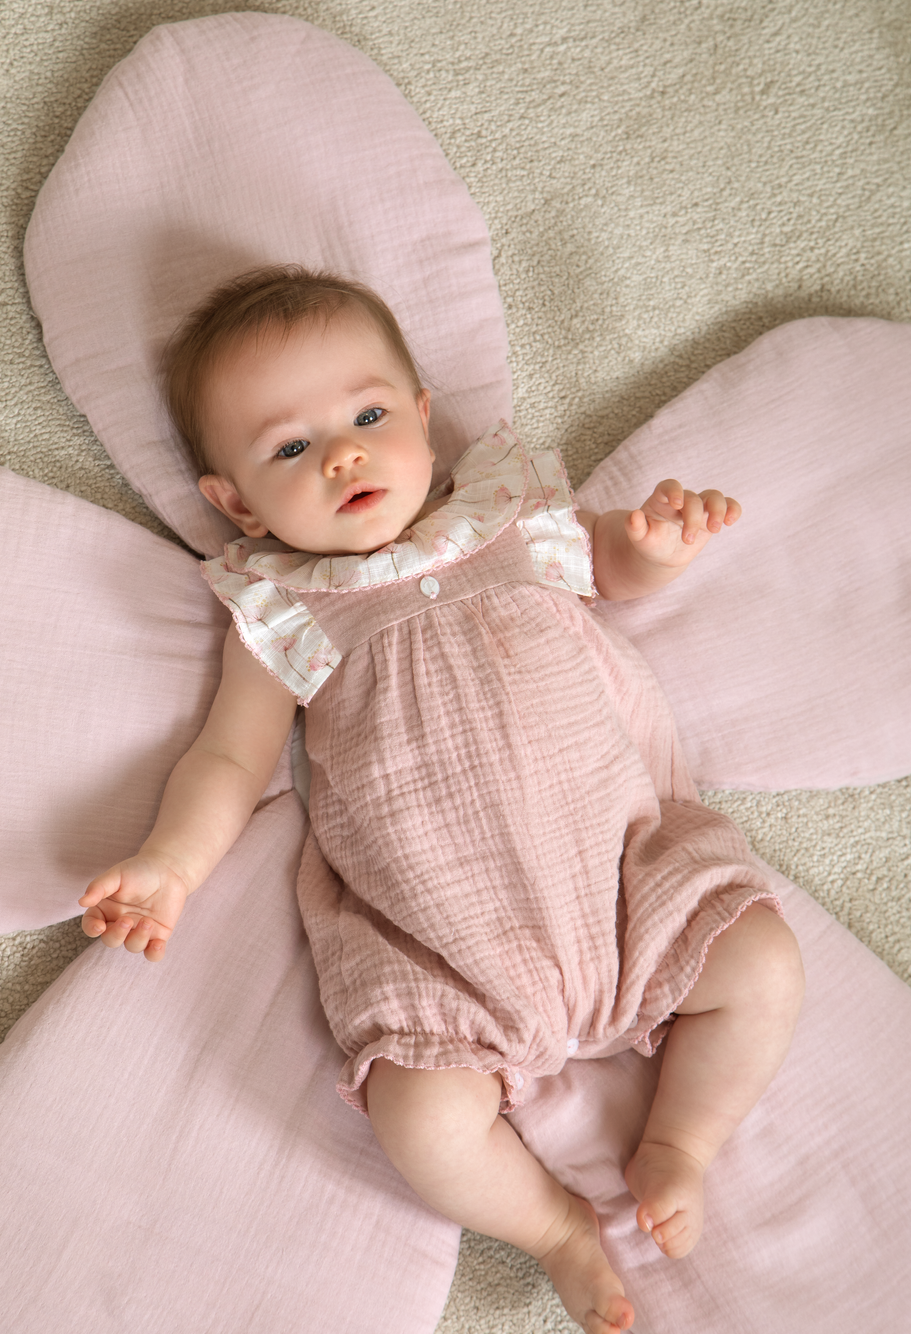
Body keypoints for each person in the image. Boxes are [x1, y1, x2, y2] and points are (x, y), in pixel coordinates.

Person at [80, 267, 804, 1334]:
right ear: (232, 501)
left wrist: (648, 549)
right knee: (418, 1114)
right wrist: (170, 863)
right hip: (446, 960)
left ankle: (681, 1138)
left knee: (761, 963)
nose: (343, 453)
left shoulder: (507, 520)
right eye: (289, 448)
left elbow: (602, 564)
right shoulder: (285, 614)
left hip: (624, 880)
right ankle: (556, 1228)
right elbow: (228, 761)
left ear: (423, 416)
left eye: (369, 415)